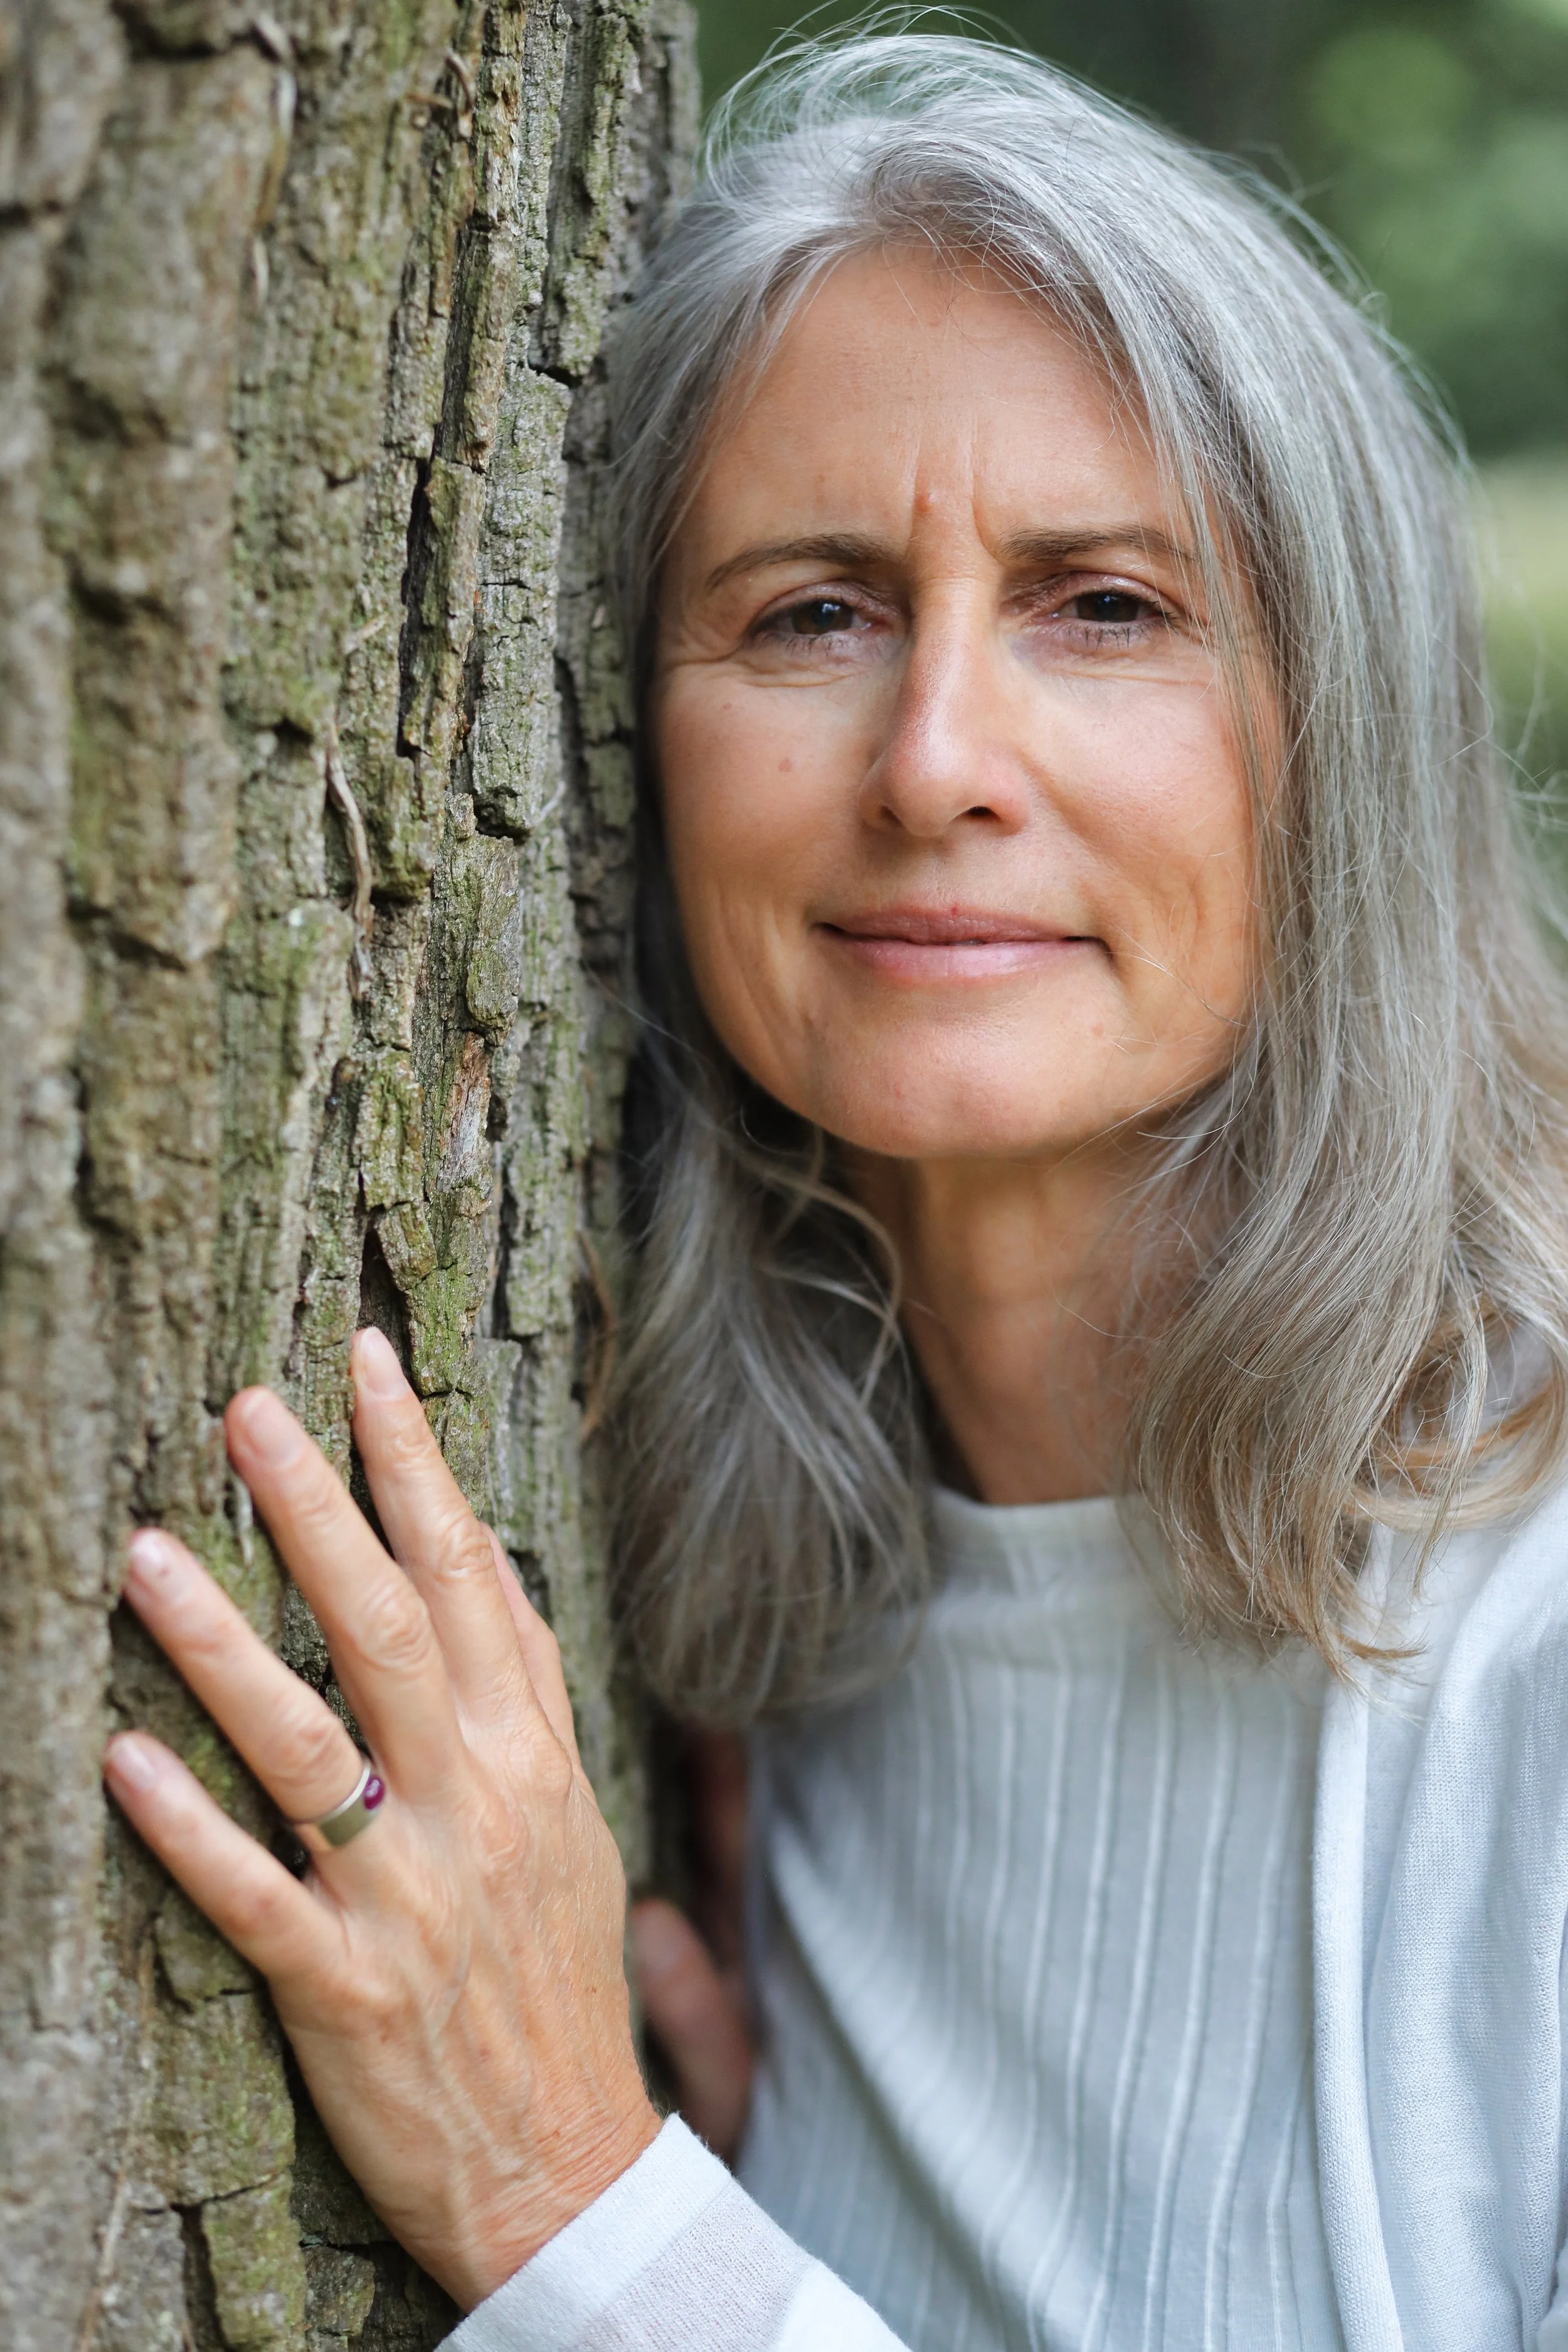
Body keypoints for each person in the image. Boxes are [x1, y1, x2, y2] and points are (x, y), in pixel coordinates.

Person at [102, 33, 1568, 2352]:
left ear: (1344, 733)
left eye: (1103, 605)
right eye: (811, 612)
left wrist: (575, 2201)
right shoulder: (728, 1654)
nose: (935, 764)